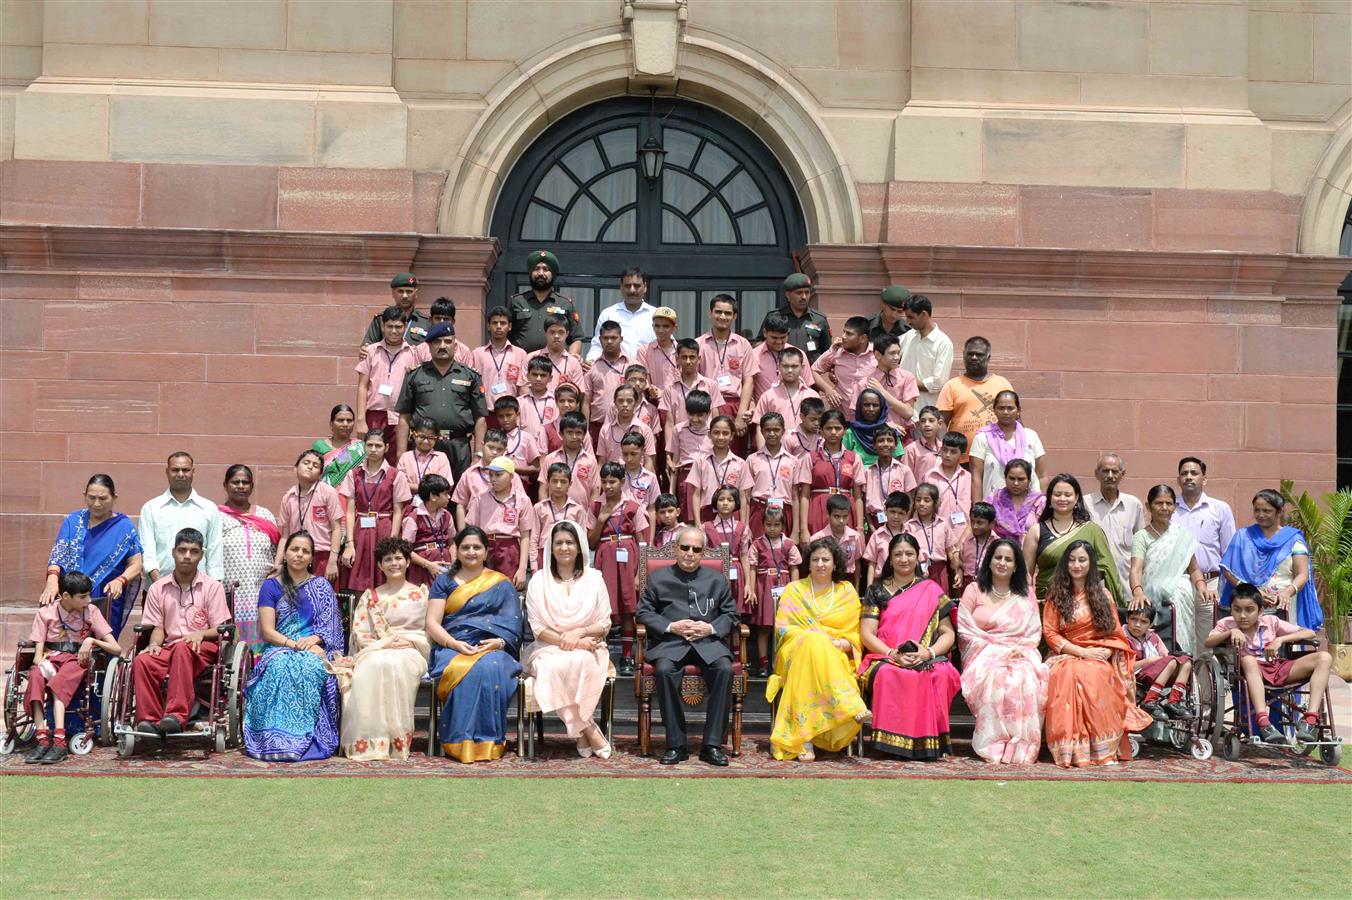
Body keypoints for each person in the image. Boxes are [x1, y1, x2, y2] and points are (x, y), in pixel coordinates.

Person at [1042, 540, 1151, 768]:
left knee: (1096, 675)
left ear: (1091, 564)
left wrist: (1104, 651)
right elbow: (1050, 633)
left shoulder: (1103, 596)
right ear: (1065, 563)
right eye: (1072, 560)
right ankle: (1070, 751)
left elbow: (1115, 634)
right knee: (1068, 675)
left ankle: (1101, 750)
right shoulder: (1056, 595)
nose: (1076, 565)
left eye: (1082, 560)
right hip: (1065, 654)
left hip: (1097, 656)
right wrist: (1082, 651)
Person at [638, 525, 740, 766]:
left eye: (696, 549)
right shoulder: (658, 578)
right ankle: (676, 744)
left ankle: (712, 745)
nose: (690, 553)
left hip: (708, 644)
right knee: (663, 670)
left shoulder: (717, 580)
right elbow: (643, 612)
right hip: (671, 644)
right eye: (685, 547)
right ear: (676, 549)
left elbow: (731, 614)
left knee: (724, 669)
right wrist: (671, 626)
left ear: (703, 552)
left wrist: (710, 628)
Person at [426, 526, 524, 763]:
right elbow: (432, 623)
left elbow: (513, 624)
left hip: (492, 648)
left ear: (486, 551)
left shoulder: (500, 583)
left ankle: (488, 741)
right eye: (465, 547)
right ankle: (459, 740)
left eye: (476, 547)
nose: (471, 552)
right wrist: (454, 644)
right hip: (451, 646)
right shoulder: (444, 581)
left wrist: (499, 642)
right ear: (456, 551)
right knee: (463, 668)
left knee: (489, 667)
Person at [858, 533, 960, 759]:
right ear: (890, 559)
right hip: (886, 656)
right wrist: (893, 655)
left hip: (925, 656)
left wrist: (928, 652)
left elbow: (947, 633)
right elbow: (867, 634)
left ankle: (931, 743)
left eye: (909, 554)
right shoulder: (877, 590)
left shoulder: (931, 589)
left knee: (942, 674)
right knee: (889, 674)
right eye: (898, 554)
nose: (904, 559)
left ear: (918, 557)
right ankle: (893, 744)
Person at [244, 531, 344, 761]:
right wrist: (296, 645)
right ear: (285, 553)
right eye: (294, 549)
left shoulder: (321, 586)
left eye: (305, 551)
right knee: (278, 667)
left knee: (310, 667)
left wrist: (315, 639)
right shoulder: (271, 586)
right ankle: (271, 739)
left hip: (317, 649)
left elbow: (331, 627)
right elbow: (268, 632)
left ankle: (308, 739)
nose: (299, 555)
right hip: (281, 647)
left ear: (311, 558)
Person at [769, 537, 869, 761]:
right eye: (815, 559)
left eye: (826, 559)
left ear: (835, 564)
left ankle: (806, 739)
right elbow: (784, 630)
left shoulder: (847, 590)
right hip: (795, 651)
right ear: (808, 563)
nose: (820, 564)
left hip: (835, 655)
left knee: (817, 648)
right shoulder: (794, 590)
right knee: (813, 643)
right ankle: (850, 705)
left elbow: (855, 632)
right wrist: (817, 638)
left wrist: (844, 644)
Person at [523, 521, 614, 758]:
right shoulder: (538, 580)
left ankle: (578, 730)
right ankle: (588, 728)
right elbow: (538, 629)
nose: (564, 548)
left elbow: (604, 624)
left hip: (589, 646)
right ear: (551, 548)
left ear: (580, 546)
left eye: (570, 542)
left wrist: (580, 634)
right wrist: (572, 641)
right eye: (559, 543)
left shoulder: (594, 579)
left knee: (581, 660)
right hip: (546, 647)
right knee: (550, 665)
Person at [131, 528, 231, 741]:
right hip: (171, 647)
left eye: (193, 551)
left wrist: (200, 634)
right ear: (173, 552)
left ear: (201, 555)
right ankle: (148, 720)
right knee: (143, 660)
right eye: (182, 550)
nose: (187, 556)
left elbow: (222, 627)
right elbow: (158, 627)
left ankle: (176, 715)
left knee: (182, 648)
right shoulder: (159, 588)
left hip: (202, 650)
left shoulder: (212, 587)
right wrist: (154, 645)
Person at [1205, 582, 1333, 746]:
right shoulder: (1227, 623)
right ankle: (1263, 721)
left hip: (1276, 667)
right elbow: (1208, 642)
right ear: (1231, 609)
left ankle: (1310, 719)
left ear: (1260, 611)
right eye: (1237, 609)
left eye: (1249, 610)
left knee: (1324, 657)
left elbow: (1308, 632)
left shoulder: (1271, 621)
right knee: (1249, 660)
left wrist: (1280, 639)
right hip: (1249, 672)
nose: (1242, 615)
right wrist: (1231, 632)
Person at [339, 537, 430, 761]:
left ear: (408, 562)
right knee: (372, 665)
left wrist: (411, 642)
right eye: (388, 559)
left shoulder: (422, 594)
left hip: (411, 651)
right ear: (380, 565)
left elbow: (430, 630)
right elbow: (360, 633)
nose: (394, 563)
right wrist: (384, 643)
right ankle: (371, 742)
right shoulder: (371, 597)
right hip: (376, 649)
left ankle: (396, 742)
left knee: (395, 664)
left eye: (399, 558)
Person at [957, 538, 1046, 765]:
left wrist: (1018, 650)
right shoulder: (974, 590)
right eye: (998, 557)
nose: (1003, 563)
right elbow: (965, 630)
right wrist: (995, 650)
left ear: (1016, 565)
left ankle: (1019, 746)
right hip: (983, 654)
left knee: (1024, 678)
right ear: (989, 561)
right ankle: (994, 744)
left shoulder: (1026, 594)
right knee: (996, 677)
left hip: (1020, 652)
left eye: (1009, 559)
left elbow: (1034, 632)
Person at [22, 572, 121, 765]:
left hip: (77, 660)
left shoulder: (91, 611)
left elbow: (116, 648)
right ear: (66, 596)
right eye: (83, 597)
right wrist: (41, 664)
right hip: (51, 657)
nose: (89, 600)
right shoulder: (46, 613)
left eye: (89, 595)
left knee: (59, 683)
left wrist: (91, 640)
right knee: (35, 676)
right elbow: (37, 653)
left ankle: (59, 741)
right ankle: (42, 738)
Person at [39, 473, 143, 636]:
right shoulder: (73, 521)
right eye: (91, 497)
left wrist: (120, 580)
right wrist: (52, 581)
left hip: (104, 595)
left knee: (101, 646)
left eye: (103, 498)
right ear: (84, 496)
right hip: (70, 594)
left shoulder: (124, 527)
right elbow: (57, 555)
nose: (96, 504)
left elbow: (136, 564)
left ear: (114, 498)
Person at [394, 322, 489, 480]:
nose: (442, 346)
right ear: (429, 346)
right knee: (423, 493)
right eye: (437, 342)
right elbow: (404, 417)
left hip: (458, 447)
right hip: (424, 446)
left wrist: (478, 454)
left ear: (455, 345)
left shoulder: (470, 376)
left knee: (457, 497)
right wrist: (402, 455)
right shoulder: (415, 375)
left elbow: (480, 418)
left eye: (447, 341)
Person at [1129, 484, 1215, 657]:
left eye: (1169, 503)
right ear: (1148, 507)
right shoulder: (1142, 537)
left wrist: (1202, 586)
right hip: (1152, 598)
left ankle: (1185, 659)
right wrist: (1138, 592)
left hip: (1183, 599)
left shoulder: (1181, 535)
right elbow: (1136, 570)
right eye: (1159, 503)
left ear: (1175, 507)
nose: (1164, 508)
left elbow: (1194, 569)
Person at [1219, 489, 1322, 631]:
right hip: (1249, 605)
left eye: (1267, 511)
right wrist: (1252, 591)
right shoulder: (1243, 536)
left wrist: (1287, 592)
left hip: (1283, 603)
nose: (1261, 515)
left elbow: (1302, 574)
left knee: (1283, 645)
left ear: (1279, 511)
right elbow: (1228, 571)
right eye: (1257, 510)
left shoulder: (1293, 539)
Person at [1024, 473, 1125, 606]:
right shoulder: (1036, 530)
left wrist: (1077, 587)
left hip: (1083, 605)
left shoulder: (1092, 530)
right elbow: (1026, 573)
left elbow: (1105, 568)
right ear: (1050, 498)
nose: (1062, 498)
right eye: (1057, 494)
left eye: (1067, 494)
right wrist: (1027, 603)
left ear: (1076, 498)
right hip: (1046, 602)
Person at [590, 461, 648, 675]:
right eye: (604, 481)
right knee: (603, 607)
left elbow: (642, 541)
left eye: (613, 481)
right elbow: (590, 542)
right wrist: (601, 520)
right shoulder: (596, 506)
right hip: (605, 554)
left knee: (627, 606)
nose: (608, 486)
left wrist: (640, 573)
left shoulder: (633, 506)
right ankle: (600, 655)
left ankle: (627, 656)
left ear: (622, 482)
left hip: (628, 556)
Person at [218, 464, 280, 655]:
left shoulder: (265, 514)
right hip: (231, 592)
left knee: (264, 639)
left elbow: (278, 548)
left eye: (245, 482)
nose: (240, 486)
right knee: (233, 645)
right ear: (225, 485)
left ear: (252, 486)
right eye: (235, 482)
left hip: (262, 591)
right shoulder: (215, 516)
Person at [340, 429, 411, 595]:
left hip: (384, 528)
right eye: (369, 445)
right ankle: (360, 619)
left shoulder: (395, 475)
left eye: (378, 445)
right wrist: (350, 543)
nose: (373, 449)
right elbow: (350, 511)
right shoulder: (354, 474)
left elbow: (398, 511)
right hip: (360, 529)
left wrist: (393, 540)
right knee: (359, 582)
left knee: (385, 579)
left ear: (386, 447)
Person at [138, 451, 224, 583]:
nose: (180, 474)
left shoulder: (209, 509)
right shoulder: (151, 508)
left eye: (185, 470)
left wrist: (214, 587)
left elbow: (215, 549)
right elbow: (147, 548)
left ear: (193, 472)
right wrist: (159, 584)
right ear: (167, 472)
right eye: (175, 470)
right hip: (157, 588)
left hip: (200, 591)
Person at [355, 305, 418, 460]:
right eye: (390, 326)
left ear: (405, 327)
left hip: (401, 417)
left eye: (398, 327)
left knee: (399, 459)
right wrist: (361, 420)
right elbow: (362, 386)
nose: (394, 331)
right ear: (382, 326)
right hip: (375, 415)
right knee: (372, 458)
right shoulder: (371, 351)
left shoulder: (413, 353)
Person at [937, 337, 1012, 464]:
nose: (974, 358)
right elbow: (941, 423)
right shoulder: (952, 385)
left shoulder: (1002, 384)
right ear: (963, 356)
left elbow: (1015, 419)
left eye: (979, 354)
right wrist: (944, 451)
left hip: (997, 456)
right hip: (961, 459)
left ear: (988, 357)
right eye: (970, 354)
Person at [465, 456, 535, 589]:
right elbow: (472, 529)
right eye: (491, 475)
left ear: (511, 476)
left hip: (510, 548)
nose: (493, 479)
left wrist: (522, 568)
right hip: (485, 546)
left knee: (506, 588)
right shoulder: (481, 497)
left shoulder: (522, 500)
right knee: (482, 588)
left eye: (498, 474)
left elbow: (525, 537)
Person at [795, 409, 864, 544]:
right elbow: (804, 495)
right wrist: (803, 529)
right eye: (829, 428)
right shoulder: (811, 458)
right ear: (821, 431)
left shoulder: (854, 458)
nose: (833, 432)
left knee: (846, 554)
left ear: (844, 431)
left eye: (837, 428)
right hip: (818, 509)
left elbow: (858, 496)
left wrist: (860, 528)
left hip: (845, 510)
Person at [276, 449, 344, 584]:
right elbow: (285, 536)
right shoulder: (288, 497)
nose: (310, 466)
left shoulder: (328, 493)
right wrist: (277, 563)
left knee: (319, 599)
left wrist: (332, 560)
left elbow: (337, 528)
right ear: (295, 469)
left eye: (316, 465)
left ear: (320, 474)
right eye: (306, 462)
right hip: (295, 557)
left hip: (322, 556)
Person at [1172, 456, 1236, 597]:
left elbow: (1229, 552)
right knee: (1179, 620)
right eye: (1184, 473)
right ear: (1178, 480)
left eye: (1194, 473)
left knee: (1209, 620)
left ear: (1204, 479)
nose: (1189, 477)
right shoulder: (1169, 508)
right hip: (1176, 583)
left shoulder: (1220, 509)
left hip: (1211, 583)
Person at [747, 506, 799, 676]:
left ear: (783, 525)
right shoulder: (757, 544)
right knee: (764, 628)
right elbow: (752, 568)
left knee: (783, 627)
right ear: (763, 524)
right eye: (768, 524)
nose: (772, 528)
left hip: (783, 586)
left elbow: (794, 569)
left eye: (776, 525)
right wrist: (752, 589)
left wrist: (795, 591)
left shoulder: (789, 544)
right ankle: (763, 664)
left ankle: (781, 661)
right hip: (763, 587)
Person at [969, 390, 1046, 500]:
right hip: (993, 507)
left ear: (1018, 410)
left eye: (1010, 408)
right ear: (994, 410)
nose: (1005, 412)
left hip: (1030, 507)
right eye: (1001, 408)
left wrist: (1043, 506)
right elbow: (976, 478)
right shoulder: (982, 438)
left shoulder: (1031, 436)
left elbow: (1042, 476)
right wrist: (977, 510)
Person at [697, 294, 754, 442]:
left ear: (734, 316)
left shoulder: (743, 344)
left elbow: (749, 380)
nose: (722, 316)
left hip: (735, 404)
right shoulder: (699, 344)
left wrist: (741, 414)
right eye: (718, 312)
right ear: (710, 314)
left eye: (728, 313)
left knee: (735, 458)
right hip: (707, 406)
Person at [1086, 452, 1144, 590]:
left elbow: (1140, 547)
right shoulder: (1085, 503)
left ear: (1122, 474)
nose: (1110, 476)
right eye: (1105, 471)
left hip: (1127, 585)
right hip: (1094, 586)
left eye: (1115, 471)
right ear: (1096, 474)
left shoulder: (1134, 505)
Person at [1125, 605, 1193, 722]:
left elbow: (1164, 655)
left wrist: (1160, 660)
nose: (1137, 625)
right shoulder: (1123, 638)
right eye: (1134, 619)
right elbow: (1122, 667)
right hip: (1136, 675)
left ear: (1150, 625)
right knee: (1171, 662)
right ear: (1127, 619)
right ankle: (1149, 701)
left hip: (1157, 673)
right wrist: (1147, 661)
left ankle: (1173, 702)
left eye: (1143, 622)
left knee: (1186, 662)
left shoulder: (1154, 638)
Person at [508, 249, 583, 354]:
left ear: (552, 274)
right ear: (530, 273)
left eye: (545, 269)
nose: (540, 273)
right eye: (536, 269)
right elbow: (506, 335)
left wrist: (571, 360)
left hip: (556, 364)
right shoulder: (517, 301)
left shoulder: (565, 304)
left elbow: (576, 338)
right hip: (523, 363)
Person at [746, 413, 799, 539]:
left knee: (782, 553)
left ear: (783, 431)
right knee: (758, 552)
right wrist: (745, 525)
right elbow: (746, 496)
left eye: (776, 430)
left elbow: (795, 496)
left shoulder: (792, 461)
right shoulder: (752, 459)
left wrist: (796, 529)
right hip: (759, 510)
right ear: (762, 432)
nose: (772, 434)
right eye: (768, 430)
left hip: (783, 511)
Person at [750, 347, 819, 444]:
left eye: (794, 366)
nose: (790, 370)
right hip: (777, 454)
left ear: (802, 367)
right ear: (778, 367)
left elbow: (820, 428)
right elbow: (760, 428)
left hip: (806, 453)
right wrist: (765, 457)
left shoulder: (812, 396)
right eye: (785, 366)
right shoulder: (768, 396)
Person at [760, 273, 832, 365]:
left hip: (810, 374)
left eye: (807, 292)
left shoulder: (820, 319)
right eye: (799, 293)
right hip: (780, 371)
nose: (804, 297)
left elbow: (826, 351)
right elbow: (762, 344)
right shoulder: (774, 316)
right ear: (788, 295)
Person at [586, 267, 656, 361]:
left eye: (636, 286)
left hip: (647, 371)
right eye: (627, 286)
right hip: (614, 371)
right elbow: (598, 345)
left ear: (645, 287)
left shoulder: (655, 315)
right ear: (621, 287)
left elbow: (666, 345)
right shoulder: (609, 314)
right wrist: (590, 361)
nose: (632, 290)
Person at [897, 294, 954, 411]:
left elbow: (938, 383)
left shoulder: (943, 343)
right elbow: (888, 351)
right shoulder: (908, 336)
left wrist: (904, 383)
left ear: (924, 314)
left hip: (925, 412)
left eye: (911, 317)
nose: (908, 322)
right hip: (901, 409)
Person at [690, 416, 747, 526]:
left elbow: (743, 496)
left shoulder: (740, 463)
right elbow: (696, 494)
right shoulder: (701, 461)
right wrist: (697, 522)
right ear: (709, 434)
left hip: (732, 514)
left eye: (725, 433)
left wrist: (743, 524)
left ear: (732, 436)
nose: (721, 437)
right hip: (707, 513)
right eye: (716, 432)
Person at [703, 486, 754, 609]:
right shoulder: (706, 527)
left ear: (736, 503)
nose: (725, 503)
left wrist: (748, 584)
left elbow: (744, 556)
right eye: (721, 499)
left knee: (736, 611)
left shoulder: (742, 528)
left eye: (730, 500)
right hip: (713, 572)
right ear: (715, 501)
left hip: (736, 572)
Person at [811, 315, 873, 412]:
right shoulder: (836, 351)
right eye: (844, 332)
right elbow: (813, 370)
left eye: (849, 334)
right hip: (841, 417)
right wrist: (827, 390)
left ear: (863, 339)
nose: (843, 337)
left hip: (869, 417)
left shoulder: (877, 355)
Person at [583, 320, 632, 440]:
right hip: (597, 426)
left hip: (627, 425)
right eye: (606, 338)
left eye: (613, 338)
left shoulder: (632, 366)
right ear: (600, 340)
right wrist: (585, 431)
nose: (609, 341)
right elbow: (585, 402)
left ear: (621, 339)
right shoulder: (591, 368)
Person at [668, 390, 713, 520]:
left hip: (709, 475)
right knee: (689, 518)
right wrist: (671, 492)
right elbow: (675, 463)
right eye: (691, 414)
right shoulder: (679, 429)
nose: (695, 419)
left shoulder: (714, 429)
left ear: (708, 413)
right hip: (687, 476)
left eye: (700, 415)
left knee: (707, 517)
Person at [402, 473, 454, 587]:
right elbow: (406, 550)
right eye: (445, 493)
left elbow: (452, 542)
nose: (449, 497)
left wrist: (454, 562)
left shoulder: (447, 515)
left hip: (445, 564)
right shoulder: (413, 518)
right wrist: (428, 565)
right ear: (433, 496)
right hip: (422, 567)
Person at [907, 483, 960, 592]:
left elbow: (950, 550)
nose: (922, 504)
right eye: (918, 500)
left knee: (941, 604)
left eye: (927, 500)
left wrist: (957, 570)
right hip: (918, 571)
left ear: (935, 503)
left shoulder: (943, 523)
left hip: (940, 570)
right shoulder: (909, 526)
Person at [861, 334, 918, 432]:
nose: (897, 357)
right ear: (878, 354)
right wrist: (885, 425)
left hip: (903, 435)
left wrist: (882, 393)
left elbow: (908, 412)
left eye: (898, 353)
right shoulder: (865, 382)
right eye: (892, 353)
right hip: (874, 436)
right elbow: (858, 416)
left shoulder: (907, 378)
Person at [473, 305, 530, 403]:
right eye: (494, 323)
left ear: (510, 326)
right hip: (486, 410)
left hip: (512, 411)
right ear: (488, 326)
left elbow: (523, 387)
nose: (498, 326)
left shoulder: (520, 354)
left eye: (503, 323)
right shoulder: (477, 354)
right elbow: (473, 385)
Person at [359, 272, 430, 349]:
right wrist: (364, 349)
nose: (405, 296)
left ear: (416, 293)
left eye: (409, 291)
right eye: (400, 291)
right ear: (393, 293)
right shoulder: (381, 319)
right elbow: (367, 346)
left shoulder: (426, 322)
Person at [809, 495, 864, 589]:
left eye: (845, 516)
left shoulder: (855, 537)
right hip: (824, 580)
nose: (841, 521)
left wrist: (857, 589)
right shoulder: (817, 538)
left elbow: (857, 563)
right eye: (836, 516)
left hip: (848, 580)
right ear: (828, 515)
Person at [986, 458, 1044, 547]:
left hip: (1030, 552)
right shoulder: (994, 498)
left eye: (1021, 479)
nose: (1016, 483)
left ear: (1029, 480)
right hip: (999, 551)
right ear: (1005, 478)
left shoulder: (1039, 501)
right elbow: (979, 519)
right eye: (1012, 478)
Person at [923, 432, 973, 531]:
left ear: (962, 456)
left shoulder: (968, 477)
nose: (947, 455)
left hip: (963, 531)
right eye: (945, 450)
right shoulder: (930, 476)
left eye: (953, 452)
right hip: (937, 530)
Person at [397, 417, 453, 502]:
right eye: (422, 437)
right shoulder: (406, 457)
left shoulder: (441, 458)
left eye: (430, 438)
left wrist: (415, 487)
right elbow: (401, 484)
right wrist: (431, 489)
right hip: (410, 506)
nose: (426, 441)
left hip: (435, 505)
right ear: (414, 435)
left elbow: (447, 485)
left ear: (436, 438)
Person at [863, 491, 912, 586]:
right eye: (892, 512)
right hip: (882, 583)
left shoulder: (910, 535)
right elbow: (872, 564)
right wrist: (869, 588)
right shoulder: (877, 536)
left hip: (905, 583)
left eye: (900, 513)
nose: (896, 516)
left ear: (907, 514)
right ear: (885, 511)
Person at [313, 404, 365, 489]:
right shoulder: (320, 446)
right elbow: (313, 474)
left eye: (349, 420)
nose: (345, 424)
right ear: (331, 424)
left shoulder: (361, 447)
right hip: (325, 496)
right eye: (340, 420)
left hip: (352, 497)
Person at [842, 388, 896, 468]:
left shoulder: (890, 432)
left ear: (882, 407)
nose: (871, 409)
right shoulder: (851, 433)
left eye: (875, 405)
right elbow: (844, 461)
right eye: (866, 405)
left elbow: (897, 462)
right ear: (860, 407)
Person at [637, 306, 682, 398]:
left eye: (666, 326)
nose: (661, 330)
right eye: (657, 326)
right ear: (653, 327)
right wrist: (650, 389)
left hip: (680, 400)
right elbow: (643, 377)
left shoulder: (682, 350)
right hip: (655, 403)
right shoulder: (644, 350)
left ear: (674, 327)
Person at [956, 501, 997, 583]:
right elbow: (960, 563)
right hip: (968, 582)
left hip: (989, 583)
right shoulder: (966, 542)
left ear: (992, 523)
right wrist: (959, 573)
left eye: (979, 522)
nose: (974, 526)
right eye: (972, 521)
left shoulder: (996, 543)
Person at [906, 405, 943, 482]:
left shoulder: (944, 448)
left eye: (931, 420)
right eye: (923, 421)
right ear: (919, 425)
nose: (927, 424)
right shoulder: (911, 450)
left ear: (939, 424)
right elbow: (906, 478)